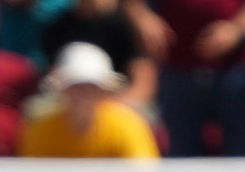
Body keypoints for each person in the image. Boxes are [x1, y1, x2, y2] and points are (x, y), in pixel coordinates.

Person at [123, 0, 245, 156]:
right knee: (181, 158)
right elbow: (133, 4)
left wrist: (237, 29)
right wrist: (143, 17)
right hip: (177, 72)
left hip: (235, 74)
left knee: (240, 155)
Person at [18, 41, 160, 158]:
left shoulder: (128, 127)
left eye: (92, 87)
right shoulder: (42, 132)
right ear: (63, 90)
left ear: (104, 92)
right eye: (76, 86)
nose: (84, 94)